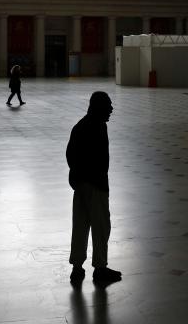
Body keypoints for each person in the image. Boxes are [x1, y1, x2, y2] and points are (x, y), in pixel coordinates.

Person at [67, 91, 121, 284]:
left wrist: (78, 178)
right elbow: (99, 162)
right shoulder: (98, 126)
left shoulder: (80, 125)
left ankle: (77, 267)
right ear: (99, 107)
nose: (111, 110)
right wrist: (95, 179)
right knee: (100, 226)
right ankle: (100, 268)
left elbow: (70, 155)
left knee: (80, 226)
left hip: (80, 185)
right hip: (95, 185)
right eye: (108, 106)